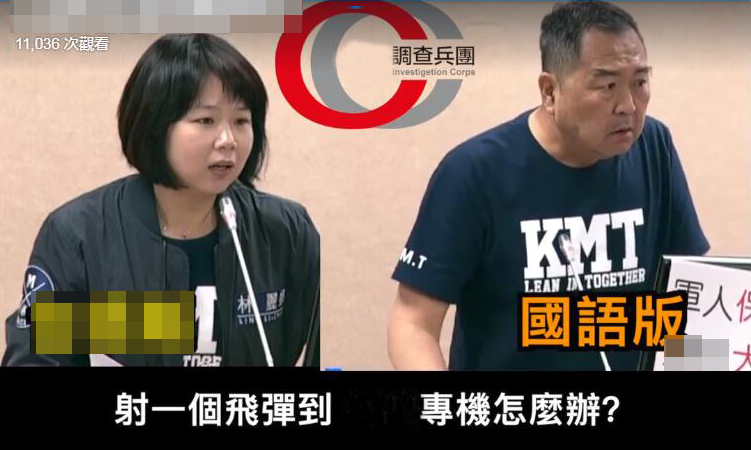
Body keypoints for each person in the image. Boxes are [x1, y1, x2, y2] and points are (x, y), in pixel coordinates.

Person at [388, 1, 709, 371]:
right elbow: (413, 324)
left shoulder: (654, 147)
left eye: (639, 82)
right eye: (607, 86)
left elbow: (691, 295)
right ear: (550, 91)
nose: (628, 106)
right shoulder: (473, 172)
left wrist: (700, 365)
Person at [2, 34, 320, 367]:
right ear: (155, 125)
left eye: (241, 121)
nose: (228, 140)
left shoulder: (287, 232)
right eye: (205, 120)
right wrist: (150, 324)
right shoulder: (82, 236)